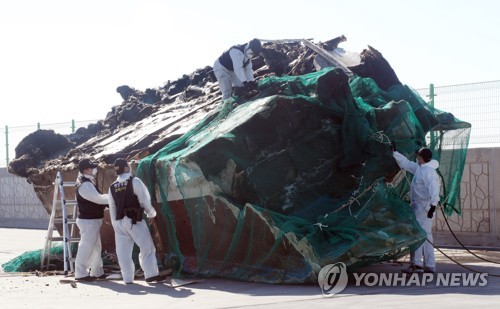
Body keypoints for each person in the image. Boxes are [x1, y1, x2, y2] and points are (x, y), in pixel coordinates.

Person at [107, 158, 165, 284]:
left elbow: (112, 207)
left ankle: (127, 278)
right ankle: (151, 275)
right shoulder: (135, 181)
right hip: (134, 221)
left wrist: (115, 224)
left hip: (119, 223)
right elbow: (144, 201)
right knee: (147, 247)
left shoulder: (112, 187)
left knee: (123, 253)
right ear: (126, 168)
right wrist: (151, 213)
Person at [392, 144, 440, 273]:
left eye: (418, 155)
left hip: (424, 208)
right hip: (421, 207)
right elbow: (406, 164)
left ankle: (417, 265)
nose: (416, 156)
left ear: (422, 157)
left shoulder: (429, 172)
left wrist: (432, 206)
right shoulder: (420, 168)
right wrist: (395, 153)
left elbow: (434, 189)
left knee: (418, 234)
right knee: (426, 235)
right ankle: (429, 265)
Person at [74, 159, 109, 281]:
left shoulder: (87, 182)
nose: (94, 169)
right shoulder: (85, 184)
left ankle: (97, 271)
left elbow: (98, 198)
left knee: (96, 246)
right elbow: (98, 199)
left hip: (92, 219)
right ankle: (80, 273)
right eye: (92, 168)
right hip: (89, 220)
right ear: (85, 170)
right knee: (86, 246)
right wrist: (114, 199)